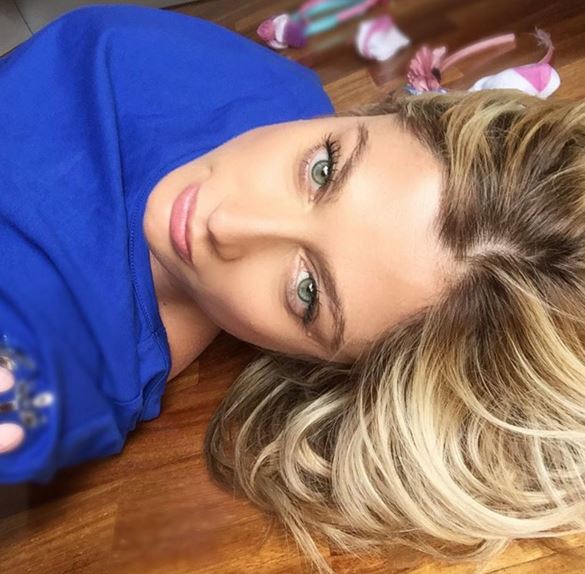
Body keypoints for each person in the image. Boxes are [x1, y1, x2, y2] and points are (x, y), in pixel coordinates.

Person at [2, 4, 585, 574]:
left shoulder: (69, 370)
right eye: (323, 171)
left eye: (307, 292)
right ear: (382, 111)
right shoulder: (274, 86)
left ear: (316, 364)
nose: (226, 223)